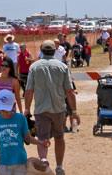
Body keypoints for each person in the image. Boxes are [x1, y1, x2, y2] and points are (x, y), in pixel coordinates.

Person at [25, 39, 79, 175]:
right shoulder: (62, 67)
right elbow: (69, 91)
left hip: (41, 109)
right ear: (54, 51)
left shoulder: (34, 67)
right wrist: (74, 111)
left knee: (42, 138)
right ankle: (59, 166)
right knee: (60, 138)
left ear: (42, 51)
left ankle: (43, 161)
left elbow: (29, 90)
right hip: (59, 108)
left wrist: (26, 108)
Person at [0, 90, 48, 175]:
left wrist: (41, 143)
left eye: (7, 110)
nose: (5, 113)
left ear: (14, 106)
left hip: (21, 162)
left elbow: (28, 138)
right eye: (2, 110)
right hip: (4, 164)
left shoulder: (21, 118)